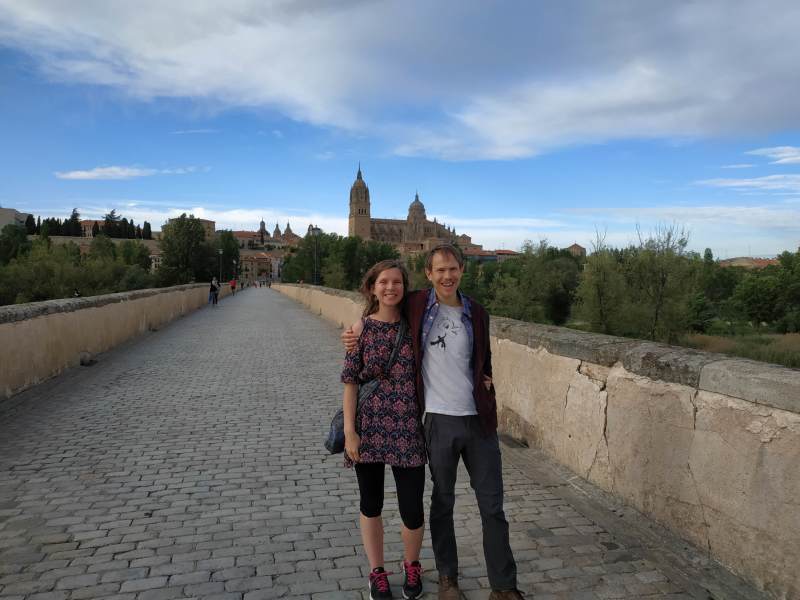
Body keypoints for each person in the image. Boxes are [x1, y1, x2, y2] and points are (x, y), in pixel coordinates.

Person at [343, 245, 523, 600]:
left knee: (492, 507)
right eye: (439, 270)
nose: (447, 276)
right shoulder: (417, 306)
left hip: (473, 422)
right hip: (434, 421)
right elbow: (382, 306)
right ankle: (447, 580)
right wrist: (354, 330)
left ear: (462, 270)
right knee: (441, 503)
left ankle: (503, 587)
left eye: (453, 269)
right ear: (428, 274)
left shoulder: (478, 313)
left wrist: (487, 383)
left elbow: (483, 361)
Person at [340, 259, 426, 600]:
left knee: (412, 507)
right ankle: (377, 571)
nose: (391, 287)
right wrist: (350, 432)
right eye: (384, 282)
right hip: (370, 428)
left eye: (397, 282)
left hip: (407, 429)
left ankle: (412, 565)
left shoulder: (415, 325)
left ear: (404, 288)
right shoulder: (359, 330)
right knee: (371, 503)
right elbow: (349, 383)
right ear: (372, 287)